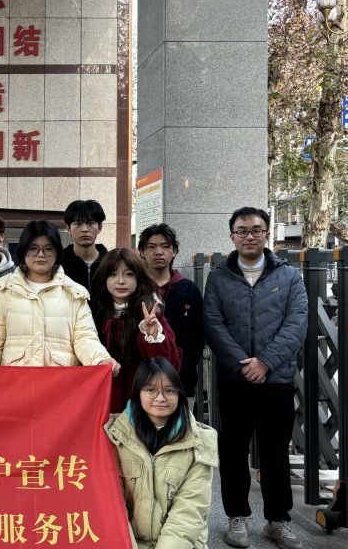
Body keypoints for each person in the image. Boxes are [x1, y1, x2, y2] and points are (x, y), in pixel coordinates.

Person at [203, 207, 307, 549]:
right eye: (242, 230)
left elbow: (296, 324)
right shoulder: (218, 277)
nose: (250, 236)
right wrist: (243, 365)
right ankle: (237, 517)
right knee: (233, 451)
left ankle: (278, 520)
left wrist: (265, 362)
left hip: (276, 379)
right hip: (234, 379)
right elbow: (213, 325)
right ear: (232, 236)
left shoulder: (288, 276)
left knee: (275, 452)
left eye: (257, 230)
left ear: (267, 234)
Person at [105, 357, 218, 549]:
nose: (160, 398)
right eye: (151, 390)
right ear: (138, 393)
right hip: (128, 541)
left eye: (169, 390)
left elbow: (189, 513)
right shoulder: (114, 434)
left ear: (179, 394)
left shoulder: (199, 442)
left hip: (181, 543)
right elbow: (112, 507)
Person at [0, 220, 120, 375]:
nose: (41, 255)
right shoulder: (5, 292)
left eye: (48, 249)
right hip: (15, 381)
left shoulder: (74, 294)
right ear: (23, 251)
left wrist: (100, 359)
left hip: (61, 383)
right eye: (33, 248)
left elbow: (85, 337)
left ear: (57, 253)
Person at [90, 248, 181, 414]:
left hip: (142, 408)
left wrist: (152, 336)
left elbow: (170, 366)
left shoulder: (152, 316)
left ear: (139, 278)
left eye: (129, 274)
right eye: (113, 274)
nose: (121, 281)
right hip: (101, 404)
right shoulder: (92, 314)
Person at [138, 223, 205, 407]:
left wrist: (182, 371)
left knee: (181, 425)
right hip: (143, 382)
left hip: (181, 382)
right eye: (151, 247)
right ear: (142, 252)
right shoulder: (136, 290)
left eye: (165, 246)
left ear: (174, 250)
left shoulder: (189, 289)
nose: (158, 252)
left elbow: (197, 338)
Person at [61, 199, 108, 292]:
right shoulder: (59, 262)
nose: (85, 229)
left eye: (90, 223)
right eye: (78, 223)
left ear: (99, 227)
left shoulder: (111, 262)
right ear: (68, 228)